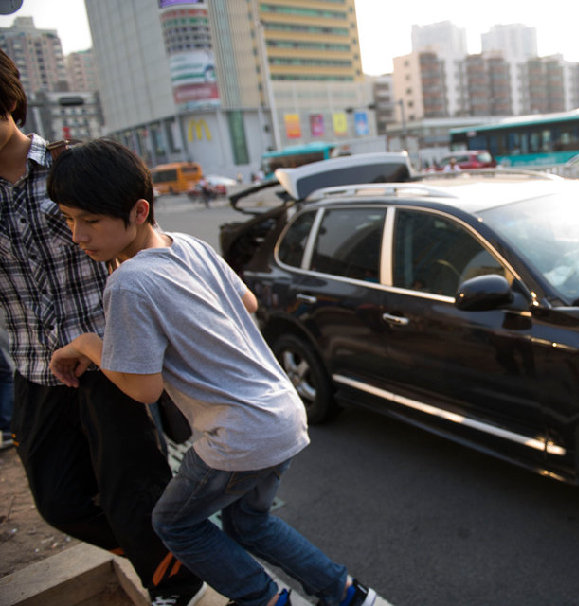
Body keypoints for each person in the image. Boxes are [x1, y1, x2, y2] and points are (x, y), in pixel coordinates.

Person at [47, 139, 378, 606]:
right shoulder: (190, 245)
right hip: (282, 411)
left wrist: (84, 345)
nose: (77, 234)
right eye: (68, 218)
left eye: (91, 220)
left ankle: (265, 600)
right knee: (250, 522)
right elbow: (248, 302)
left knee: (174, 523)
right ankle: (345, 593)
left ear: (138, 211)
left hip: (238, 435)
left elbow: (143, 388)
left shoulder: (130, 281)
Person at [0, 50, 206, 605]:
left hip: (109, 359)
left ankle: (174, 584)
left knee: (133, 493)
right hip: (32, 362)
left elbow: (145, 243)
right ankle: (178, 550)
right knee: (58, 501)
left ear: (8, 103)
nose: (78, 231)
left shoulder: (71, 167)